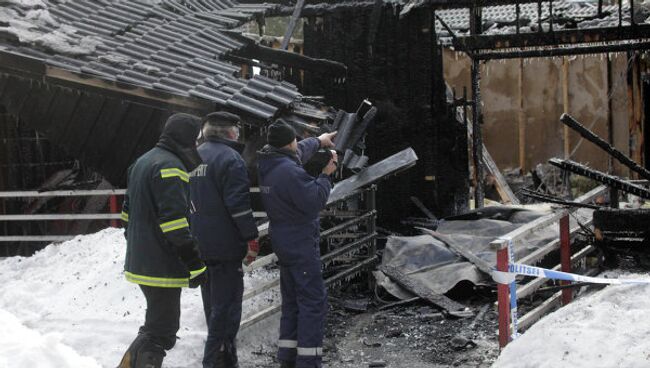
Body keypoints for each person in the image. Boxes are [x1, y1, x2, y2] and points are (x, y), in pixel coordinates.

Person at [118, 113, 207, 368]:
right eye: (196, 139)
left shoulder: (142, 162)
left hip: (143, 260)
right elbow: (175, 223)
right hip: (161, 265)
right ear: (187, 138)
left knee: (156, 326)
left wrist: (140, 245)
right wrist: (194, 263)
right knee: (161, 332)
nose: (198, 145)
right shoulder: (171, 167)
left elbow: (127, 213)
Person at [257, 120, 337, 368]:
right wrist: (326, 175)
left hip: (284, 240)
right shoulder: (290, 172)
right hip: (300, 243)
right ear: (288, 143)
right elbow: (314, 201)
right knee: (313, 302)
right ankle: (308, 361)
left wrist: (320, 140)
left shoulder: (271, 162)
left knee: (292, 302)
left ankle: (288, 359)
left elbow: (299, 150)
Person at [189, 112, 259, 368]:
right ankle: (218, 362)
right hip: (226, 248)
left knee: (212, 309)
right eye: (237, 130)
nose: (239, 135)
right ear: (229, 132)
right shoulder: (231, 159)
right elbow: (239, 205)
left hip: (199, 245)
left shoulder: (193, 157)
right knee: (226, 312)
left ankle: (225, 360)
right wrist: (251, 238)